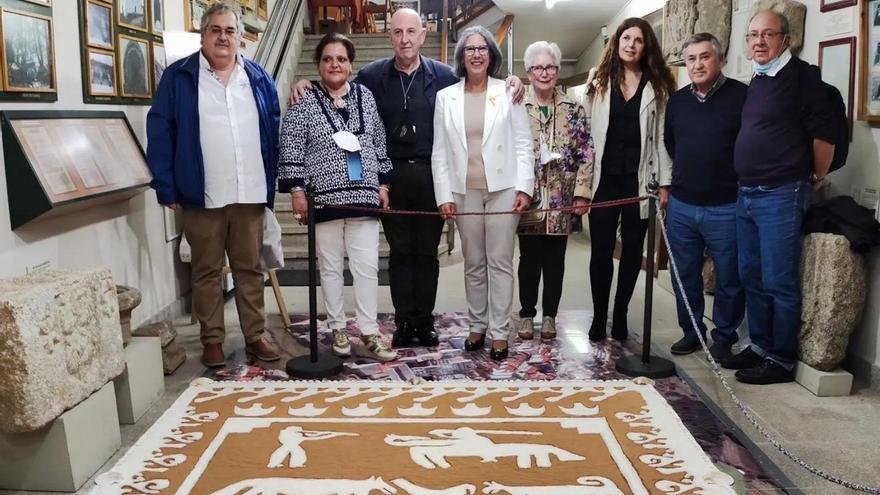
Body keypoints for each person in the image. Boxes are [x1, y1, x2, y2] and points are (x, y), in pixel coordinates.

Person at [289, 11, 524, 349]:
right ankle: (403, 322)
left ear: (424, 33)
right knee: (400, 253)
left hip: (431, 173)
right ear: (391, 38)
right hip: (391, 176)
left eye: (411, 31)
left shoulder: (443, 76)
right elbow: (338, 85)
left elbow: (479, 81)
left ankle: (424, 322)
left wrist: (513, 79)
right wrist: (306, 84)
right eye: (398, 32)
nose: (405, 39)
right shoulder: (372, 75)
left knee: (427, 252)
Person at [146, 2, 280, 368]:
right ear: (203, 35)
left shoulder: (258, 77)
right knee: (205, 271)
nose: (223, 37)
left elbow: (272, 127)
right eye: (216, 30)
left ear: (240, 38)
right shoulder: (179, 78)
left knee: (250, 269)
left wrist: (273, 179)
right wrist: (166, 186)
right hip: (201, 193)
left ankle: (255, 335)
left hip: (250, 191)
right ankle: (212, 340)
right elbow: (160, 132)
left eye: (230, 31)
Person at [728, 10, 836, 384]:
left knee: (778, 281)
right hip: (747, 192)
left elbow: (825, 137)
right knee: (751, 275)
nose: (759, 41)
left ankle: (781, 358)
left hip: (780, 193)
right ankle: (759, 345)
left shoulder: (804, 78)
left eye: (767, 34)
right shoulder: (758, 79)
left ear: (785, 40)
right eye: (753, 35)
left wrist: (814, 177)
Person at [278, 32, 398, 362]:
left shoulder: (366, 97)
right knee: (330, 268)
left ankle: (370, 331)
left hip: (363, 196)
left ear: (350, 64)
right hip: (324, 199)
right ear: (318, 64)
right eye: (328, 58)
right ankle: (337, 328)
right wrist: (298, 192)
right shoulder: (304, 100)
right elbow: (291, 146)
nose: (335, 64)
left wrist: (383, 185)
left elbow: (377, 142)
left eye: (341, 59)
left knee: (366, 268)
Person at [432, 26, 535, 361]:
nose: (476, 54)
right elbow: (439, 151)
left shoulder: (507, 91)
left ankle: (501, 332)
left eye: (482, 48)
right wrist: (443, 194)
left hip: (504, 189)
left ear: (491, 55)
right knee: (473, 262)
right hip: (464, 192)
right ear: (462, 57)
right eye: (469, 49)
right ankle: (477, 326)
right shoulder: (445, 97)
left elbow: (523, 143)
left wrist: (525, 187)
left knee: (500, 262)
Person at [584, 17, 675, 342]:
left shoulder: (658, 86)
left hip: (640, 182)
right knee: (601, 251)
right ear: (617, 42)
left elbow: (663, 137)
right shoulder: (598, 81)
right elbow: (585, 135)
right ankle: (598, 316)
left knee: (633, 252)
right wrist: (582, 184)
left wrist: (665, 183)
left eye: (638, 39)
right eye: (626, 38)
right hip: (604, 181)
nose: (631, 44)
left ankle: (620, 314)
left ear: (645, 46)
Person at [664, 33, 747, 359]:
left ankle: (724, 337)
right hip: (683, 204)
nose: (697, 64)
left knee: (730, 276)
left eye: (705, 57)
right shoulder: (678, 100)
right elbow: (672, 145)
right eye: (691, 59)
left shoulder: (742, 96)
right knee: (683, 275)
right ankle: (692, 331)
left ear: (720, 58)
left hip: (726, 204)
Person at [515, 41, 594, 341]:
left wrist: (582, 192)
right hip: (529, 196)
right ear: (529, 71)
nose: (544, 73)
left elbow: (587, 151)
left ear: (558, 71)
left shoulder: (574, 108)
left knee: (555, 260)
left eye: (549, 67)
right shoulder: (517, 105)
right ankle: (526, 315)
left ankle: (549, 315)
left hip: (563, 194)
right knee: (529, 259)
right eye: (538, 67)